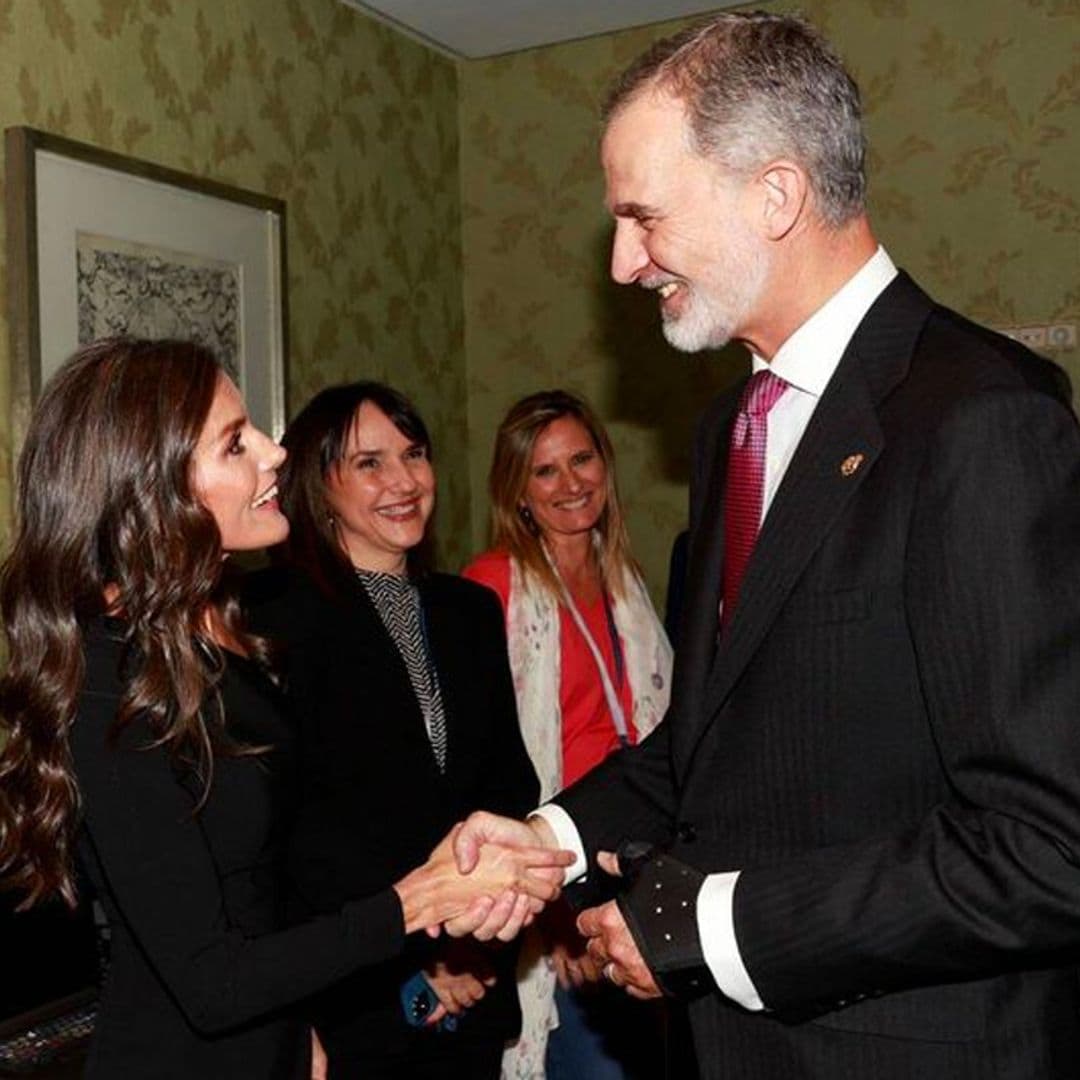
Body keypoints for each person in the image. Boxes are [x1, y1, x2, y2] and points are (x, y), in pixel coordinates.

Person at [451, 11, 1080, 1080]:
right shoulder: (729, 430)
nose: (621, 263)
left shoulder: (982, 421)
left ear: (775, 195)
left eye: (643, 218)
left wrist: (712, 925)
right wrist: (550, 841)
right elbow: (716, 739)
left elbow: (1048, 848)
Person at [0, 339, 569, 1080]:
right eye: (236, 443)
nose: (274, 454)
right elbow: (210, 981)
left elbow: (259, 890)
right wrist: (416, 901)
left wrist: (300, 1022)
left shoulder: (213, 639)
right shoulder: (110, 685)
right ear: (155, 485)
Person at [246, 381, 541, 1079]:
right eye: (370, 464)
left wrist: (471, 946)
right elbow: (293, 832)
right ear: (321, 485)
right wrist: (417, 957)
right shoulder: (273, 617)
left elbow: (507, 784)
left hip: (474, 977)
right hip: (350, 995)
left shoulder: (467, 609)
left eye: (414, 454)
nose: (403, 481)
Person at [462, 390, 672, 1078]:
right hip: (554, 888)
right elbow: (481, 777)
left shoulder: (626, 584)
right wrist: (554, 924)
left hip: (638, 872)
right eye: (546, 471)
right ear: (518, 491)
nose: (571, 483)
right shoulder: (491, 588)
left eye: (582, 460)